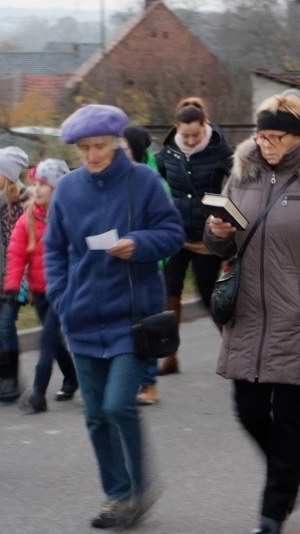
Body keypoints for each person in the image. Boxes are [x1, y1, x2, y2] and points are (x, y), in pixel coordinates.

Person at [205, 94, 300, 534]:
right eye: (262, 136)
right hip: (249, 314)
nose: (266, 145)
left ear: (299, 137)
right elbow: (224, 244)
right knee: (249, 410)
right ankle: (288, 472)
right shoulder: (243, 173)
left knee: (289, 415)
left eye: (276, 137)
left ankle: (272, 513)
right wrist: (217, 231)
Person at [46, 104, 184, 529]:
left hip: (132, 319)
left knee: (118, 405)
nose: (91, 155)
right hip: (82, 319)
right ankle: (116, 496)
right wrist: (62, 298)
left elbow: (172, 234)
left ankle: (138, 489)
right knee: (94, 416)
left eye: (99, 146)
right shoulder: (67, 189)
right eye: (84, 148)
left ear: (116, 143)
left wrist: (138, 244)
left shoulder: (143, 181)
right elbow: (54, 251)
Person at [156, 96, 233, 376]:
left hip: (206, 236)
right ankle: (169, 355)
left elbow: (240, 179)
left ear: (204, 126)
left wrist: (225, 208)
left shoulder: (219, 149)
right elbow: (156, 181)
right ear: (177, 128)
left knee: (207, 292)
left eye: (196, 135)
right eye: (185, 135)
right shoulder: (168, 152)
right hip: (176, 234)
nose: (190, 140)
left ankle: (234, 350)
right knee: (169, 292)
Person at [4, 159, 77, 413]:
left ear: (57, 188)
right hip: (39, 291)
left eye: (42, 184)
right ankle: (73, 378)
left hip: (63, 290)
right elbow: (16, 254)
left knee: (46, 340)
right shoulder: (28, 218)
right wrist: (12, 286)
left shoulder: (70, 217)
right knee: (54, 341)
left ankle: (38, 395)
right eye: (34, 184)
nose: (36, 189)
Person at [122, 125, 172, 406]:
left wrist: (153, 258)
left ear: (137, 150)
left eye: (125, 148)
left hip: (147, 266)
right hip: (120, 265)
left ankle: (149, 383)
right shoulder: (118, 178)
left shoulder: (154, 182)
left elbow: (168, 230)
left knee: (147, 324)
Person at [0, 146, 30, 403]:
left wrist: (22, 282)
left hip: (14, 278)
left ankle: (11, 380)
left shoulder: (21, 203)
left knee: (5, 326)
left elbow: (22, 245)